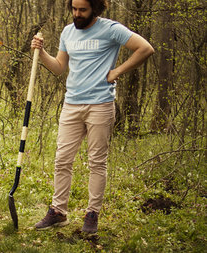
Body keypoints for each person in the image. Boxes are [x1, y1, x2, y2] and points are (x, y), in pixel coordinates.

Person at [32, 0, 154, 233]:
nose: (77, 14)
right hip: (71, 104)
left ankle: (92, 214)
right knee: (62, 159)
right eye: (74, 9)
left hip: (100, 104)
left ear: (95, 9)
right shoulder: (68, 31)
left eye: (82, 10)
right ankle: (58, 212)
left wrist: (117, 71)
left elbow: (145, 48)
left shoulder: (111, 29)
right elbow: (59, 67)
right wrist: (41, 52)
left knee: (97, 162)